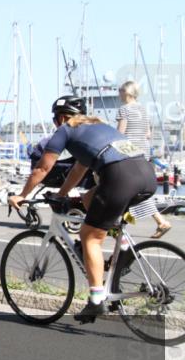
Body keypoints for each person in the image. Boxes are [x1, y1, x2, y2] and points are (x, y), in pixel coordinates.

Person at [9, 95, 156, 322]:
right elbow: (78, 170)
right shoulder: (97, 126)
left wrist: (22, 195)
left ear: (61, 117)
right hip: (146, 175)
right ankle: (122, 251)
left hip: (120, 177)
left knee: (89, 236)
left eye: (56, 119)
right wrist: (61, 195)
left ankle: (96, 300)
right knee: (89, 198)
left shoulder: (66, 130)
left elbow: (42, 167)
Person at [116, 80, 170, 238]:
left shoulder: (124, 110)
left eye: (120, 90)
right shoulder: (142, 109)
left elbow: (119, 134)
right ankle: (121, 222)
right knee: (135, 188)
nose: (118, 93)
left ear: (126, 92)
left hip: (128, 151)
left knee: (124, 187)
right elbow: (147, 134)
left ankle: (160, 221)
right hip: (143, 152)